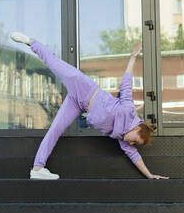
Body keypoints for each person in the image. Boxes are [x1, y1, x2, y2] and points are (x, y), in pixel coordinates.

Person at [10, 32, 169, 181]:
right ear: (137, 129)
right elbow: (126, 85)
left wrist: (150, 175)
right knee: (55, 63)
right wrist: (133, 58)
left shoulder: (122, 139)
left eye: (135, 145)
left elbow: (136, 158)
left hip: (78, 104)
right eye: (136, 141)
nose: (132, 144)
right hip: (85, 88)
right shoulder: (128, 111)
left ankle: (37, 168)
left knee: (56, 129)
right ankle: (31, 42)